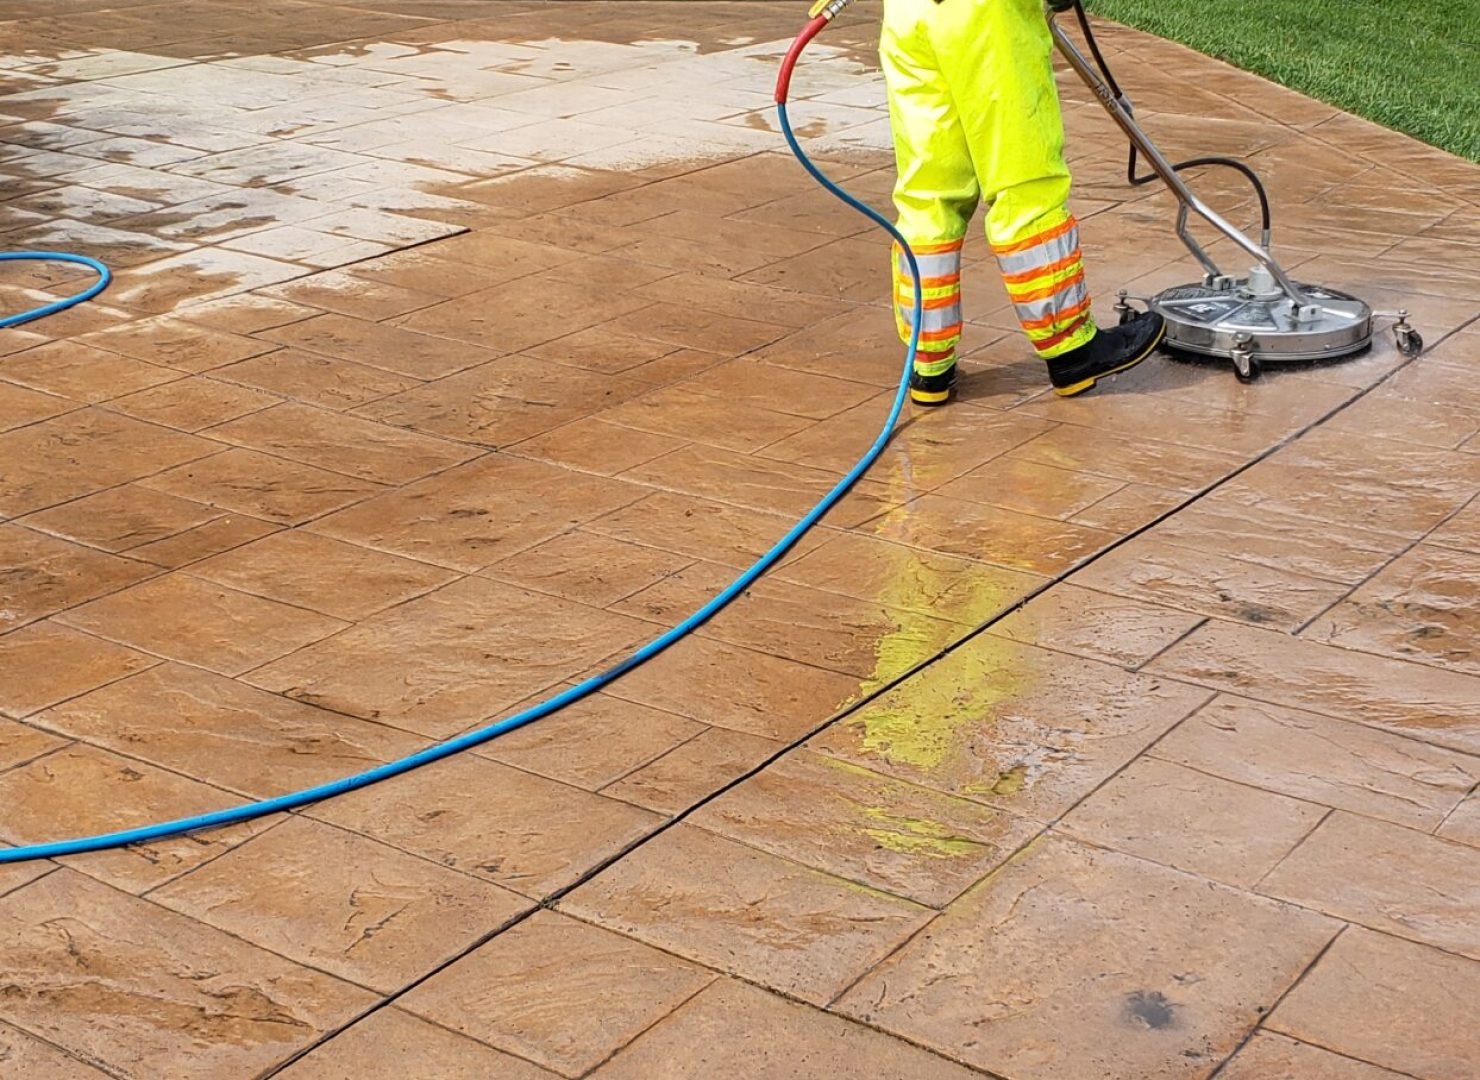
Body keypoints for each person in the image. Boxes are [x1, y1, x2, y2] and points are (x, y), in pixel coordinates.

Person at [881, 0, 1165, 405]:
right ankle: (1071, 350)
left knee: (928, 195)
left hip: (908, 18)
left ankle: (929, 363)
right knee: (1024, 186)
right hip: (987, 18)